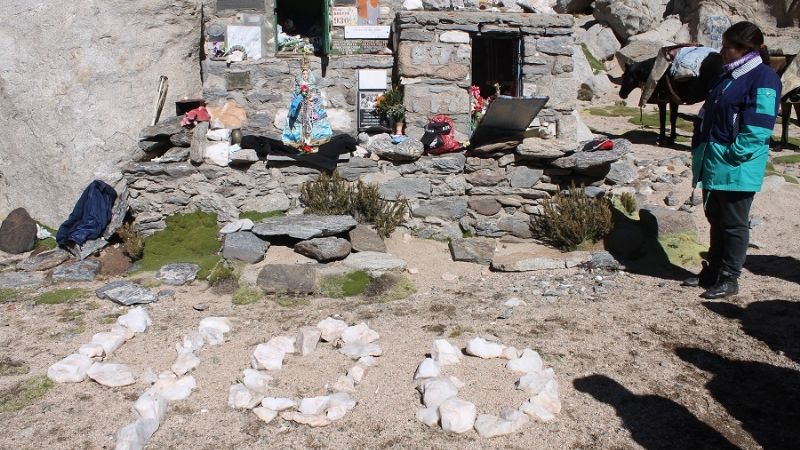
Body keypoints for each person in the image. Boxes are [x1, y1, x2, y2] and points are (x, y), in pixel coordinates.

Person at [683, 21, 781, 299]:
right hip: (714, 159)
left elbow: (760, 126)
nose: (723, 52)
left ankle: (729, 278)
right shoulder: (729, 75)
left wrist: (734, 154)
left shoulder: (763, 78)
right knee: (715, 217)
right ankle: (712, 272)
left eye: (729, 48)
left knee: (734, 222)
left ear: (747, 49)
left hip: (736, 162)